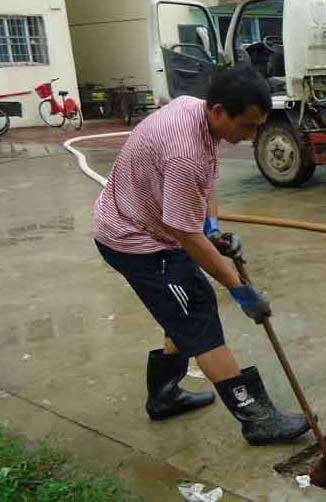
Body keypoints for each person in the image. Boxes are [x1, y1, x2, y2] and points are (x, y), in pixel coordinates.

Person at [93, 65, 310, 445]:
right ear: (218, 111)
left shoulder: (195, 111)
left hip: (155, 226)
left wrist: (213, 227)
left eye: (259, 125)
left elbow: (205, 182)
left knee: (182, 307)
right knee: (197, 316)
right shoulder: (184, 152)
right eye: (247, 126)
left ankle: (164, 396)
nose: (252, 135)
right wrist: (240, 288)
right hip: (136, 240)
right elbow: (183, 232)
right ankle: (256, 418)